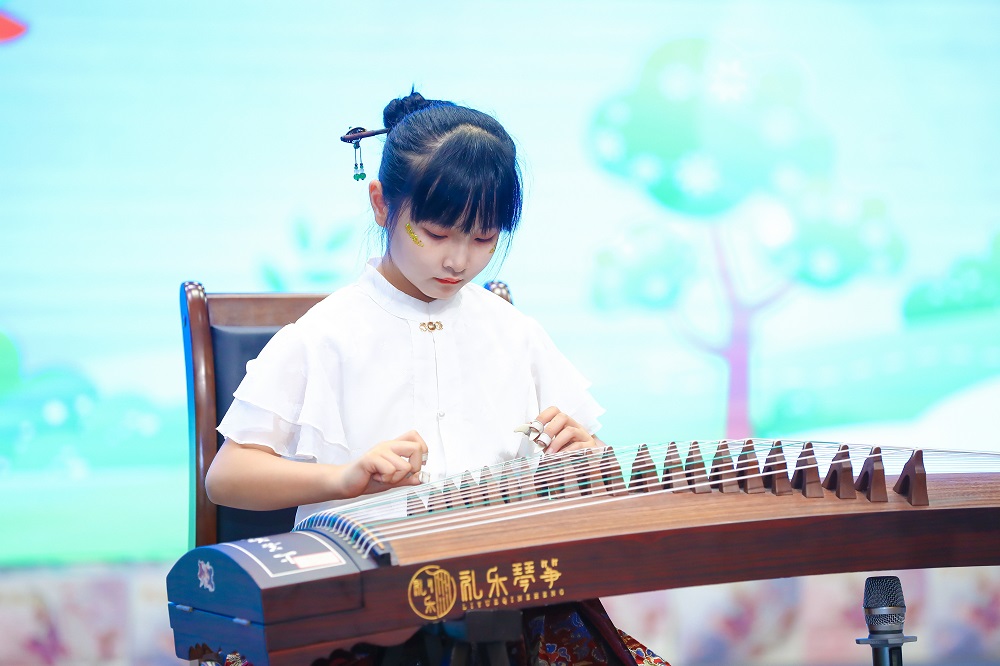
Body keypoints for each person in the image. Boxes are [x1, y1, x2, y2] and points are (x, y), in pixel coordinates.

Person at [205, 91, 669, 666]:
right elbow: (228, 477)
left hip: (508, 604)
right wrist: (342, 479)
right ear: (381, 204)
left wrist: (585, 456)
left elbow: (593, 457)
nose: (458, 261)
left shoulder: (514, 332)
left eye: (483, 238)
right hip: (366, 614)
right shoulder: (321, 336)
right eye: (437, 232)